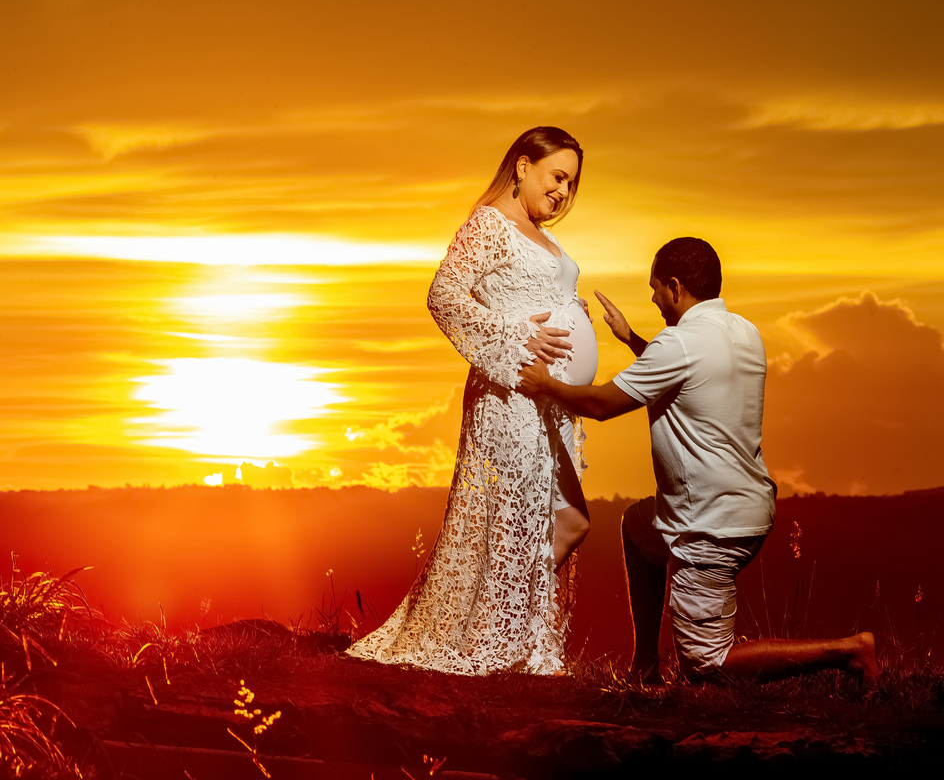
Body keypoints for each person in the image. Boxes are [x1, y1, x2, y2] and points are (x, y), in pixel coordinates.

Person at [518, 237, 878, 686]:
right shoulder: (743, 331)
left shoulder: (678, 343)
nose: (653, 300)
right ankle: (645, 665)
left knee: (705, 665)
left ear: (675, 286)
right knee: (638, 526)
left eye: (655, 289)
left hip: (709, 524)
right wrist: (631, 339)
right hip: (747, 507)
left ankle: (849, 651)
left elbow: (602, 405)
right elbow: (688, 371)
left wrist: (543, 384)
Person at [346, 126, 596, 675]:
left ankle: (505, 629)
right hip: (509, 399)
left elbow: (538, 294)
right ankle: (491, 639)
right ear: (523, 166)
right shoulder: (489, 224)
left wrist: (571, 313)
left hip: (549, 404)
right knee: (515, 523)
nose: (563, 192)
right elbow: (443, 295)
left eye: (571, 185)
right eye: (557, 177)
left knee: (567, 520)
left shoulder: (539, 236)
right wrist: (516, 336)